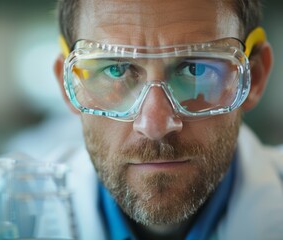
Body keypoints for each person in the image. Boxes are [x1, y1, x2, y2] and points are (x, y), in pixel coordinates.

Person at [52, 0, 283, 239]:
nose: (154, 126)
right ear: (68, 86)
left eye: (196, 69)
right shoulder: (14, 212)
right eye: (116, 69)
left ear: (253, 79)